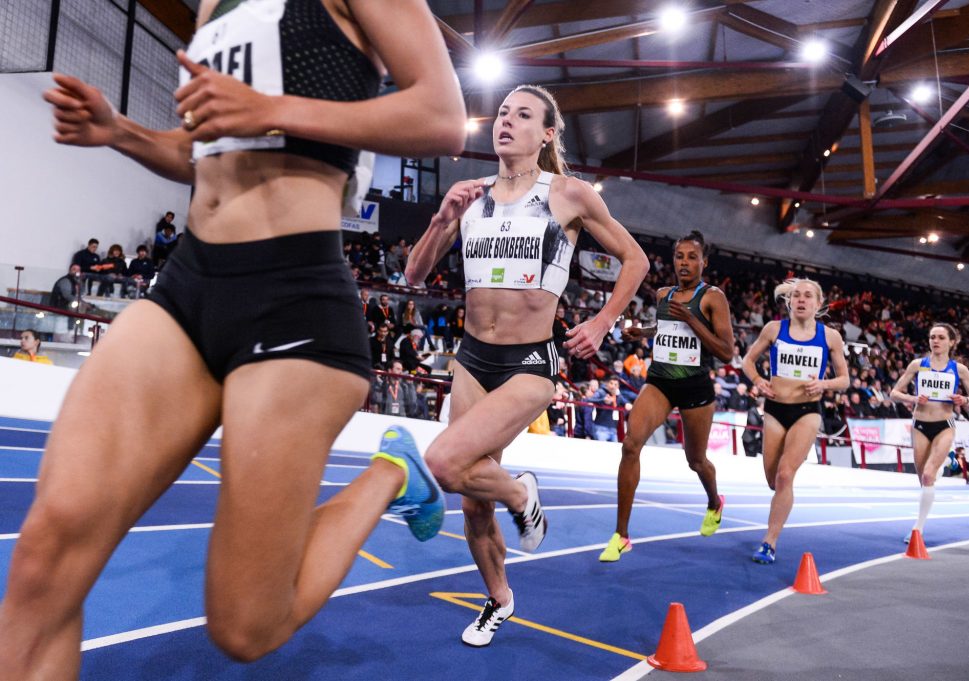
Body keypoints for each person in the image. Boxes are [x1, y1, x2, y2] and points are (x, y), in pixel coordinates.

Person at [0, 1, 466, 676]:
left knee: (246, 625)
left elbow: (442, 118)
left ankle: (392, 472)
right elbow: (204, 151)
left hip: (294, 299)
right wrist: (120, 131)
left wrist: (273, 108)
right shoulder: (215, 3)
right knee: (47, 552)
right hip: (188, 285)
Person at [404, 84, 648, 647]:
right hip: (471, 358)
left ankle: (520, 494)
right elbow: (415, 276)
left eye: (523, 115)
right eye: (503, 113)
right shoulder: (470, 195)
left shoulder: (568, 194)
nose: (506, 121)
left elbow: (634, 259)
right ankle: (500, 599)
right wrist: (441, 219)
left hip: (530, 363)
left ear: (547, 134)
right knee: (471, 503)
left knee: (443, 462)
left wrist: (605, 321)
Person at [600, 231, 734, 562]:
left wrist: (692, 318)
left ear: (704, 262)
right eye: (679, 256)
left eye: (692, 257)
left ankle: (715, 501)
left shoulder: (712, 298)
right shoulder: (664, 294)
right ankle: (621, 535)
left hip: (695, 388)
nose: (684, 262)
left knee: (696, 461)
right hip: (660, 380)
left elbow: (727, 352)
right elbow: (667, 328)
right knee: (631, 445)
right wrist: (642, 332)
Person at [741, 278, 850, 564]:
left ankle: (769, 542)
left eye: (808, 296)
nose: (801, 300)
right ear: (789, 302)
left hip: (807, 411)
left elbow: (845, 380)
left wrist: (824, 385)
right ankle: (775, 518)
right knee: (772, 479)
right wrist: (757, 381)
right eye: (796, 296)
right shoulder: (775, 329)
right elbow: (747, 361)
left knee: (786, 474)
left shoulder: (830, 337)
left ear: (818, 303)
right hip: (775, 409)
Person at [890, 323, 969, 542]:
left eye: (940, 337)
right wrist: (912, 399)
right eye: (932, 337)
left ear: (951, 341)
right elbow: (894, 393)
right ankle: (945, 463)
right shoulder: (917, 365)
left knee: (929, 475)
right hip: (920, 425)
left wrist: (964, 400)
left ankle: (917, 530)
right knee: (924, 480)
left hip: (944, 425)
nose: (935, 341)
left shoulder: (959, 369)